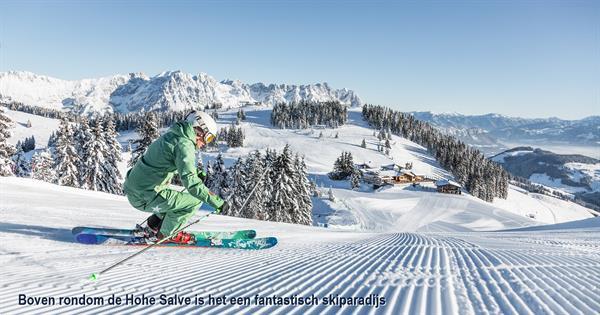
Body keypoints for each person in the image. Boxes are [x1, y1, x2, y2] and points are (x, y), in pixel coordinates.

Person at [123, 110, 229, 244]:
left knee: (174, 200)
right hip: (145, 196)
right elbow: (191, 184)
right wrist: (218, 202)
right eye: (208, 138)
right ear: (199, 130)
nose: (205, 143)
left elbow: (174, 161)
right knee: (194, 202)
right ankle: (167, 234)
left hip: (135, 190)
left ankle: (153, 225)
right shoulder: (185, 144)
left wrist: (195, 174)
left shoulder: (173, 136)